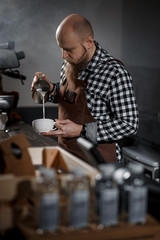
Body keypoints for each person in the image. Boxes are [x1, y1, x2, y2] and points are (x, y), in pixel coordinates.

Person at [31, 14, 139, 164]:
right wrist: (50, 90)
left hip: (98, 163)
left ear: (88, 42)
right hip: (66, 155)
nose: (63, 55)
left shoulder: (114, 73)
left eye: (68, 49)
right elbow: (71, 98)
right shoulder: (70, 62)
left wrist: (81, 130)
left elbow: (129, 124)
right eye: (61, 48)